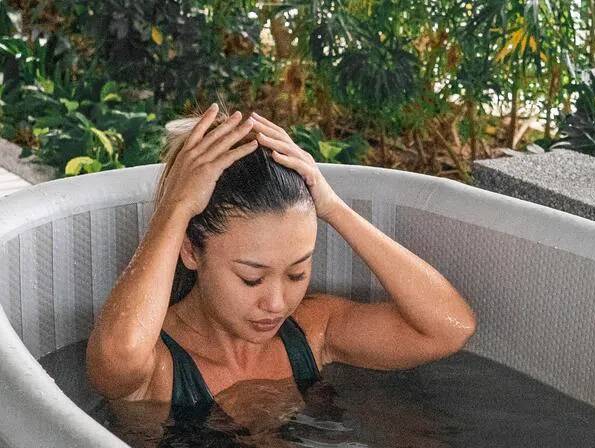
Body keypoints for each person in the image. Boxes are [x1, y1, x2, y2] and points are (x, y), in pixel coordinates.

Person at [85, 101, 477, 423]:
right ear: (190, 250)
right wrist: (175, 209)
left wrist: (333, 206)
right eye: (251, 278)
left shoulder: (313, 332)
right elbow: (115, 361)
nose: (276, 303)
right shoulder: (159, 367)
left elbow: (448, 329)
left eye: (297, 273)